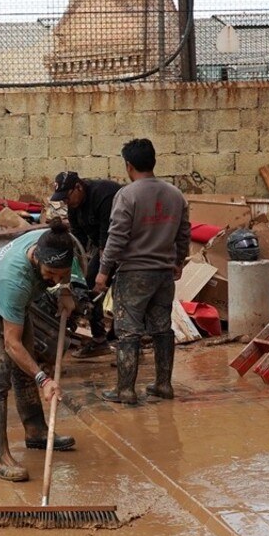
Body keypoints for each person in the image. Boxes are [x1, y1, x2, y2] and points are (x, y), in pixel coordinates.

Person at [0, 222, 79, 482]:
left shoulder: (58, 242)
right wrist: (45, 380)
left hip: (16, 306)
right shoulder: (13, 279)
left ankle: (36, 432)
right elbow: (11, 344)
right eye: (50, 274)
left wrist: (65, 290)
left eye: (61, 274)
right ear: (36, 256)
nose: (54, 279)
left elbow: (68, 267)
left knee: (26, 368)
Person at [95, 138, 190, 405]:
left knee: (128, 331)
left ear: (129, 166)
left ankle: (125, 390)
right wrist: (178, 262)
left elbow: (116, 238)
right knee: (162, 329)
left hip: (134, 274)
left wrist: (103, 272)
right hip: (163, 274)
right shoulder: (175, 194)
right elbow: (184, 234)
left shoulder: (127, 195)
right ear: (154, 161)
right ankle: (163, 385)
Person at [50, 170, 122, 358]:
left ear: (78, 187)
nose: (67, 202)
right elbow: (78, 241)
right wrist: (75, 272)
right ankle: (100, 339)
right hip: (102, 247)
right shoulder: (74, 206)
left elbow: (109, 237)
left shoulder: (104, 194)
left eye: (67, 197)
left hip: (125, 246)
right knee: (87, 286)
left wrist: (103, 273)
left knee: (120, 291)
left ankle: (129, 343)